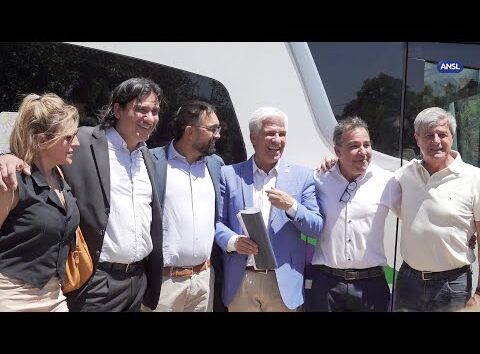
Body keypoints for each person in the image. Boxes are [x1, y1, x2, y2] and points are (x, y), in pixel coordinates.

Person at [0, 78, 165, 311]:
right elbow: (39, 144)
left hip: (136, 281)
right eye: (141, 109)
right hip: (95, 283)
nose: (150, 118)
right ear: (117, 109)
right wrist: (7, 157)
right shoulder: (84, 141)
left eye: (155, 111)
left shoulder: (146, 155)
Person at [215, 106, 324, 312]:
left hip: (283, 283)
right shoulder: (229, 175)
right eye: (270, 133)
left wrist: (292, 206)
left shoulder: (303, 177)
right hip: (242, 281)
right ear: (253, 138)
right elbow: (217, 223)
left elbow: (316, 226)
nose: (277, 139)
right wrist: (233, 242)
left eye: (282, 134)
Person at [393, 107, 480, 311]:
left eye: (442, 134)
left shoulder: (474, 178)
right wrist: (334, 162)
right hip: (408, 282)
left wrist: (479, 292)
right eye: (428, 135)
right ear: (417, 138)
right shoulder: (405, 174)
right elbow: (365, 175)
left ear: (452, 136)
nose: (436, 141)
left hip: (453, 286)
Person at [310, 116, 400, 312]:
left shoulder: (388, 181)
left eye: (366, 145)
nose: (363, 152)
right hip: (327, 286)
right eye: (354, 146)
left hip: (371, 286)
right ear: (337, 151)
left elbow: (417, 213)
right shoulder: (318, 178)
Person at [0, 93, 80, 311]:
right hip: (10, 296)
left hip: (54, 294)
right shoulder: (12, 180)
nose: (77, 143)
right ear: (43, 140)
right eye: (68, 138)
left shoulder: (61, 177)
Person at [143, 100, 224, 312]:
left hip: (203, 281)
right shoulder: (151, 162)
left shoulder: (216, 165)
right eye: (213, 129)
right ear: (189, 131)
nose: (218, 135)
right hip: (164, 284)